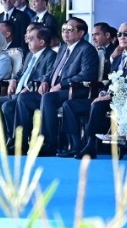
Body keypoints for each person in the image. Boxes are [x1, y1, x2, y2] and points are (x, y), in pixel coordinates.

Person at [61, 20, 127, 159]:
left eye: (126, 34)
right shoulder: (117, 57)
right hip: (109, 97)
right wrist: (103, 92)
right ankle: (77, 145)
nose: (122, 37)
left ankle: (91, 145)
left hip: (126, 100)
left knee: (97, 105)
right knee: (69, 105)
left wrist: (110, 95)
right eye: (119, 34)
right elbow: (110, 81)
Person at [16, 17, 99, 156]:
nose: (65, 32)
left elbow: (86, 75)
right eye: (63, 29)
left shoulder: (86, 49)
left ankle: (48, 144)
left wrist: (61, 85)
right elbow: (52, 70)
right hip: (54, 90)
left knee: (48, 98)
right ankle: (22, 143)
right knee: (24, 99)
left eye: (70, 29)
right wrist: (45, 81)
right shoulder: (63, 48)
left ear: (81, 33)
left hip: (75, 90)